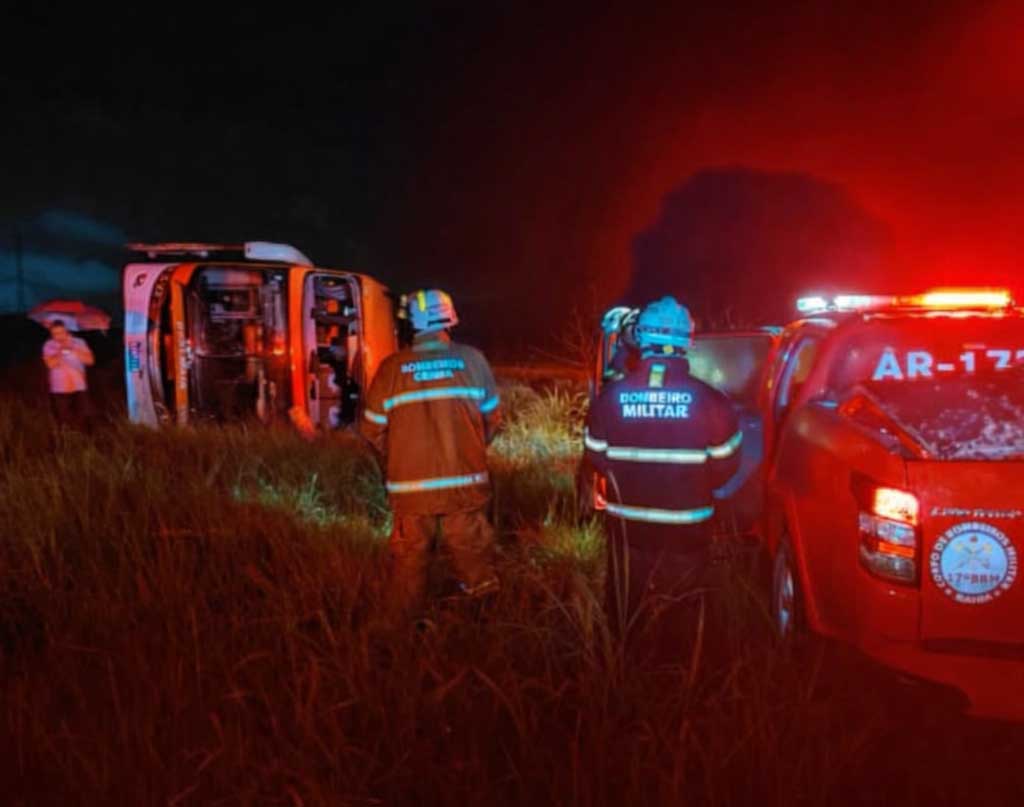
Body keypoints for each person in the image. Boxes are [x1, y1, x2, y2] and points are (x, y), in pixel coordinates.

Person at [583, 296, 742, 650]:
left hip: (627, 528)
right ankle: (677, 681)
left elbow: (596, 457)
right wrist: (692, 486)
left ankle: (624, 679)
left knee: (625, 611)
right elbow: (727, 465)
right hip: (688, 528)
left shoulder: (610, 398)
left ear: (640, 338)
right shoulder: (713, 402)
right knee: (685, 613)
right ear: (688, 340)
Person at [361, 289, 502, 624]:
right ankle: (481, 628)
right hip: (465, 486)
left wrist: (401, 456)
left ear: (412, 323)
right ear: (449, 317)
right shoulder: (473, 361)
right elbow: (492, 422)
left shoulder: (392, 368)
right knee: (474, 559)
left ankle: (403, 635)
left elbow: (371, 431)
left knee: (408, 564)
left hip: (410, 491)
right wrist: (469, 451)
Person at [42, 319, 94, 427]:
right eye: (54, 334)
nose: (58, 336)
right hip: (59, 388)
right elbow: (50, 365)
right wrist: (61, 352)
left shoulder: (79, 342)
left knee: (84, 417)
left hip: (79, 386)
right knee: (63, 419)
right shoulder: (49, 345)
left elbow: (90, 361)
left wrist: (74, 350)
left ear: (67, 331)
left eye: (61, 332)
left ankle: (84, 440)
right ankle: (66, 440)